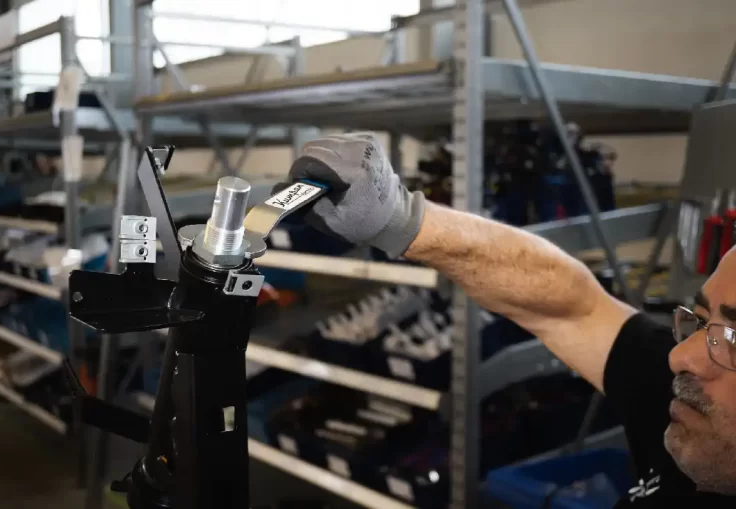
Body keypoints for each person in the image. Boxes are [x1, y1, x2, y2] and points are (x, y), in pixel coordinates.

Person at [288, 132, 736, 507]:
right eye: (698, 321)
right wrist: (399, 218)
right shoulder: (682, 403)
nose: (682, 355)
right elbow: (572, 305)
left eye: (732, 339)